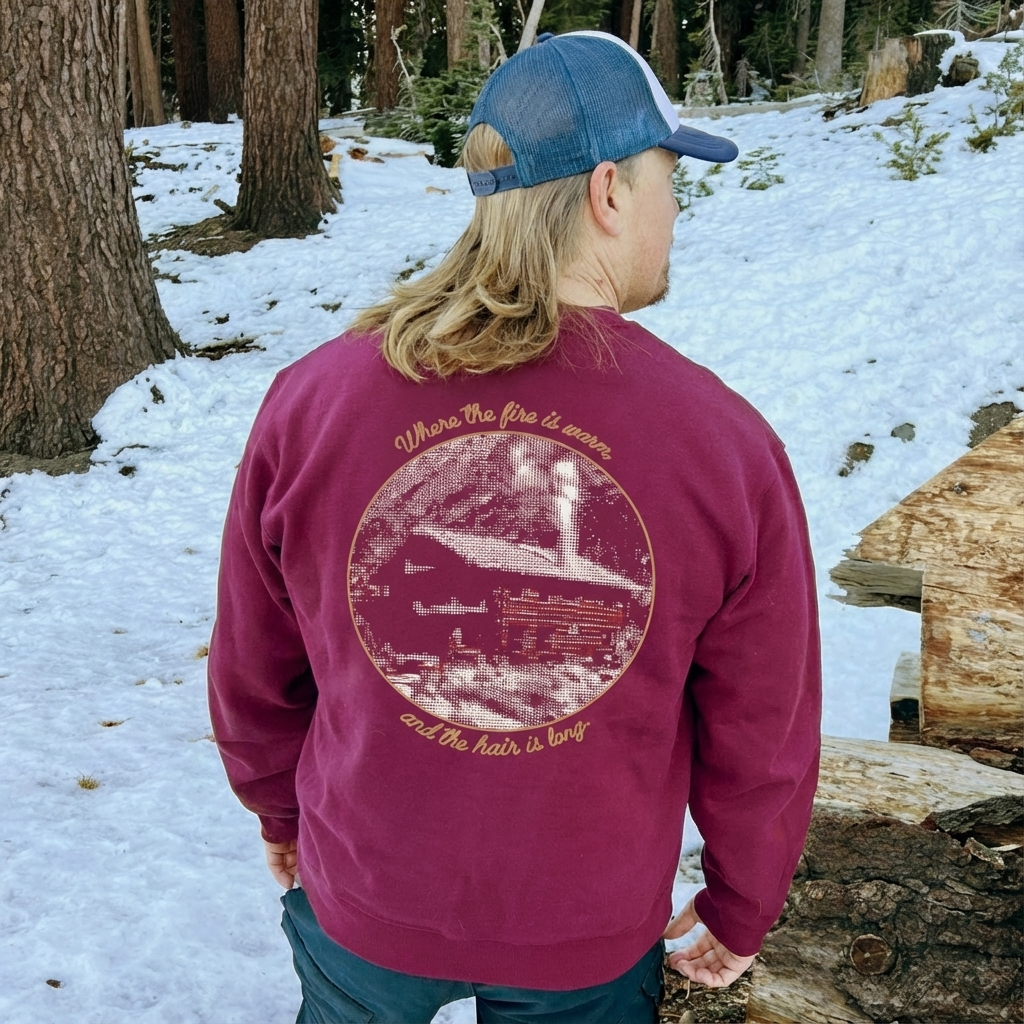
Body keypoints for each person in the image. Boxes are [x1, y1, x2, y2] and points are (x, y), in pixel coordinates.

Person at [208, 29, 821, 1024]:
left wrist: (279, 806)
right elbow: (765, 721)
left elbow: (252, 658)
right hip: (584, 927)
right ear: (609, 190)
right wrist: (744, 897)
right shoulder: (720, 442)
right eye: (671, 181)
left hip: (365, 892)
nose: (674, 212)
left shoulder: (314, 400)